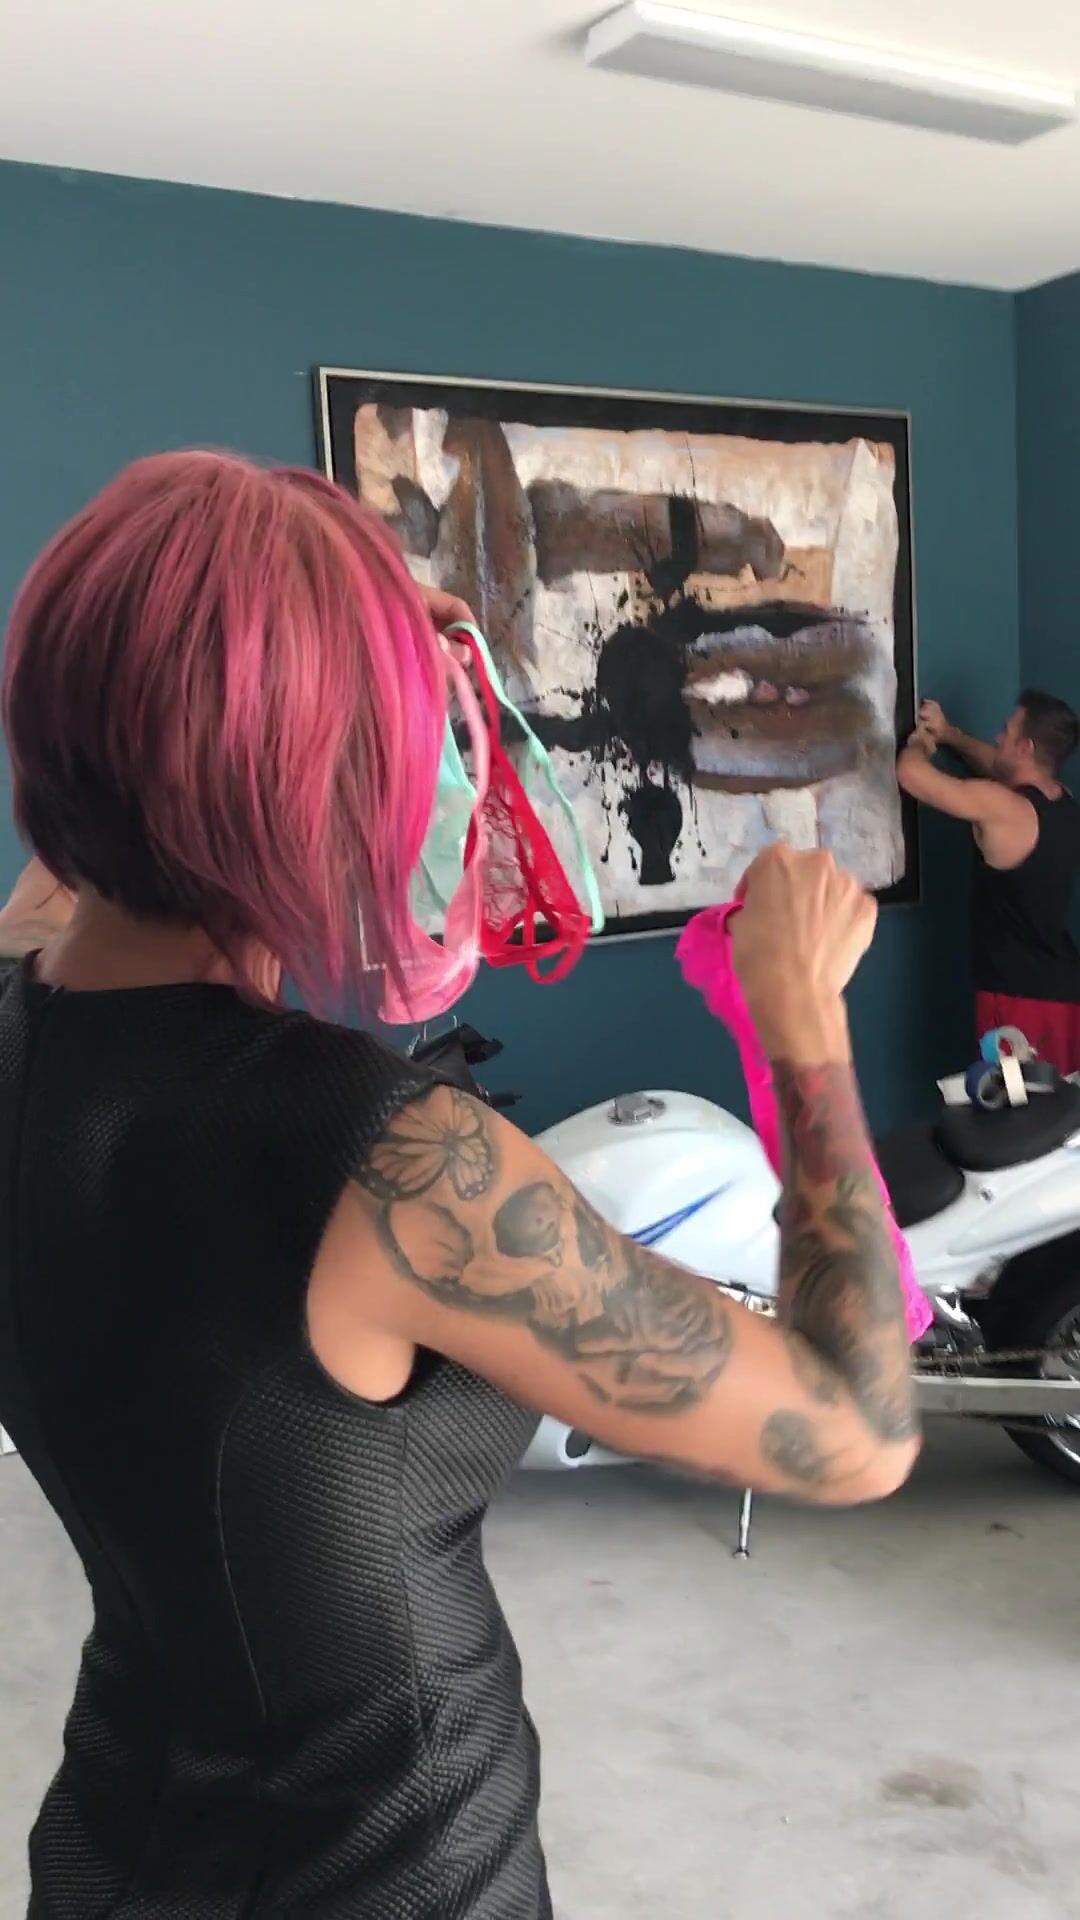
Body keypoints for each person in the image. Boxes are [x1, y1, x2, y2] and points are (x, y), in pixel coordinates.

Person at [0, 451, 918, 1920]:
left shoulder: (24, 1017)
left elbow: (74, 867)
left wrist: (334, 639)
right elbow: (854, 1432)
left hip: (117, 1846)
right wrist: (801, 1016)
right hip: (390, 1875)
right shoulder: (390, 1166)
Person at [898, 690, 1080, 1072]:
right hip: (1063, 993)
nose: (998, 738)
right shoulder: (1062, 800)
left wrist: (920, 744)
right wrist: (951, 735)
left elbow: (911, 775)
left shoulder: (1004, 808)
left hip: (1016, 1000)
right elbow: (997, 765)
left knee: (1014, 1105)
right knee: (1061, 1105)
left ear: (1026, 748)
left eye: (1006, 732)